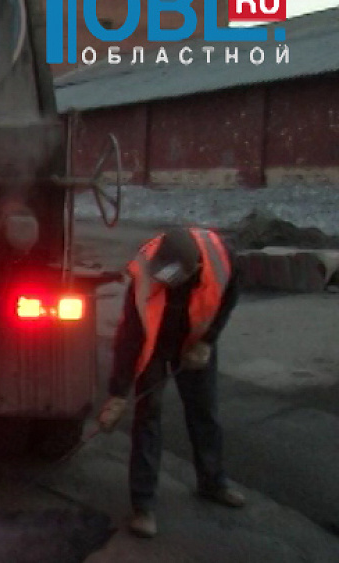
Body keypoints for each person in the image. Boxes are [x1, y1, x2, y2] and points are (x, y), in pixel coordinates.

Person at [96, 226, 246, 539]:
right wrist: (117, 394)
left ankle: (212, 483)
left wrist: (207, 340)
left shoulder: (223, 257)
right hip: (155, 347)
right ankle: (143, 504)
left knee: (204, 412)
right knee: (147, 417)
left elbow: (229, 294)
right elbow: (129, 336)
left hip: (194, 342)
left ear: (195, 269)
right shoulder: (146, 272)